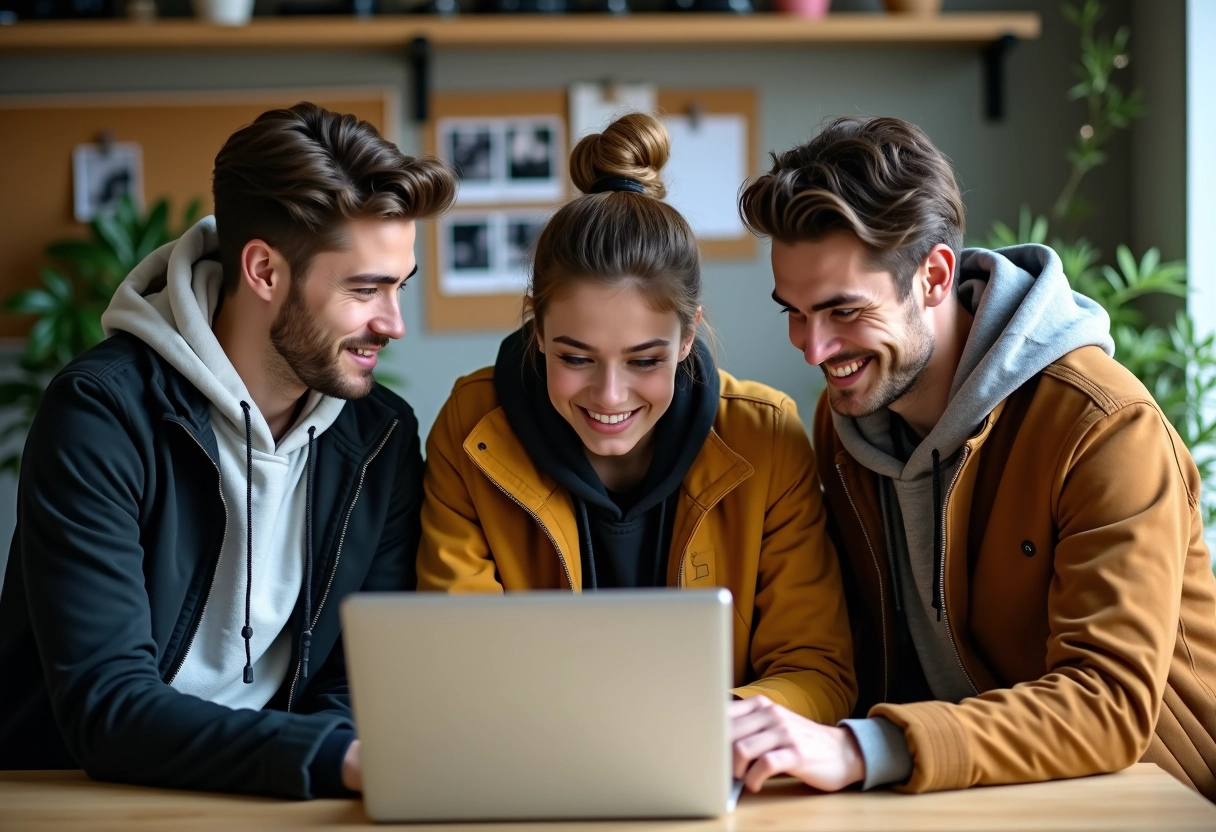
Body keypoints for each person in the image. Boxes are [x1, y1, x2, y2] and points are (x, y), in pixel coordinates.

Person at [729, 115, 1216, 799]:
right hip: (963, 794)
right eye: (796, 312)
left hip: (1146, 795)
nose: (812, 350)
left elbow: (1108, 703)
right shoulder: (844, 420)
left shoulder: (1105, 428)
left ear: (932, 276)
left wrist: (861, 747)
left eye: (842, 311)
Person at [0, 103, 456, 798]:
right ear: (264, 271)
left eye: (399, 286)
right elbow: (108, 706)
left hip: (281, 797)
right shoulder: (101, 415)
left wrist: (342, 759)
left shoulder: (379, 438)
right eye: (365, 289)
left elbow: (361, 679)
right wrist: (337, 760)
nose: (391, 323)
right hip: (81, 797)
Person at [417, 112, 856, 728]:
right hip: (535, 768)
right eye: (575, 357)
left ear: (687, 337)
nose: (610, 394)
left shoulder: (767, 436)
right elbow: (459, 661)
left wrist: (695, 732)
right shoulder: (471, 427)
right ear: (536, 331)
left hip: (716, 765)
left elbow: (815, 669)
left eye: (645, 359)